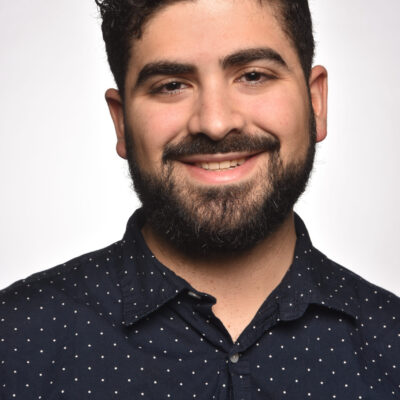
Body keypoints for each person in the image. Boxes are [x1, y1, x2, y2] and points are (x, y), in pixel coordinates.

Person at [0, 0, 399, 398]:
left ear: (316, 102)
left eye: (254, 75)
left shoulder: (391, 343)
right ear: (121, 122)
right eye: (172, 85)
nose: (215, 122)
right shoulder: (13, 339)